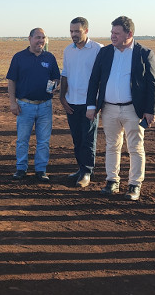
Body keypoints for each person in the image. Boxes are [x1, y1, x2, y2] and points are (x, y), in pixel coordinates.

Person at [85, 16, 155, 200]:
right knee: (112, 145)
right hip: (108, 109)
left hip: (134, 110)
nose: (112, 36)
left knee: (135, 147)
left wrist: (151, 110)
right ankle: (112, 181)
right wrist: (91, 105)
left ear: (129, 34)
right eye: (112, 32)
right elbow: (94, 79)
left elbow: (153, 84)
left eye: (117, 33)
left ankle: (134, 184)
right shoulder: (105, 52)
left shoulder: (144, 53)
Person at [7, 28, 60, 182]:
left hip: (45, 106)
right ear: (29, 38)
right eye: (37, 37)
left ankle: (41, 170)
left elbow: (56, 78)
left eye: (43, 38)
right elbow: (11, 81)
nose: (40, 41)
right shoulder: (19, 57)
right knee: (22, 139)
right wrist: (12, 103)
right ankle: (21, 168)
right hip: (25, 106)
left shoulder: (50, 58)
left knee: (43, 141)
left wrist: (55, 84)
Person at [59, 17, 103, 187]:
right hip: (71, 102)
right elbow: (65, 74)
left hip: (89, 103)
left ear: (86, 31)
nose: (73, 34)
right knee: (77, 138)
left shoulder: (98, 49)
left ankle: (86, 172)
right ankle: (80, 168)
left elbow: (101, 77)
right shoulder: (68, 50)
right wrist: (62, 97)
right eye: (71, 31)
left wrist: (97, 102)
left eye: (77, 31)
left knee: (88, 139)